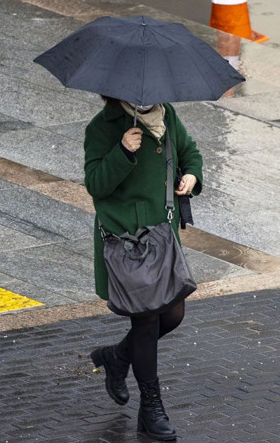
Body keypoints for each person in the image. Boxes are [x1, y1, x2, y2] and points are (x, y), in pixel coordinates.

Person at [84, 95, 203, 441]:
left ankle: (117, 357)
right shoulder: (103, 126)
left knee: (173, 314)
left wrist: (192, 175)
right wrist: (122, 151)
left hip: (163, 234)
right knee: (147, 320)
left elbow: (190, 152)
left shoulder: (168, 116)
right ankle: (151, 409)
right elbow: (95, 184)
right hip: (129, 239)